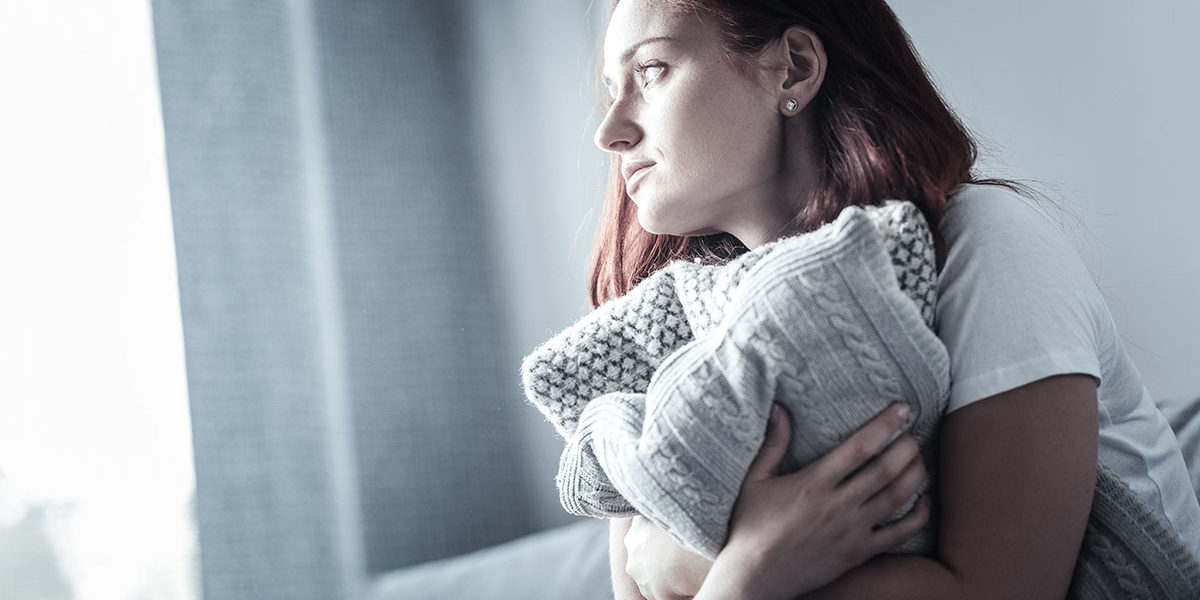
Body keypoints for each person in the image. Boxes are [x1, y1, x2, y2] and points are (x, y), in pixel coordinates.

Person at [584, 0, 1200, 598]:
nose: (608, 132)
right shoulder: (664, 333)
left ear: (793, 66)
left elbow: (1007, 589)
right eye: (612, 90)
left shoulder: (981, 241)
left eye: (649, 71)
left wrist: (734, 565)